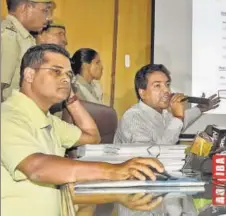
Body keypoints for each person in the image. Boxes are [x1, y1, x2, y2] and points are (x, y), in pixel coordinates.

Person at [1, 44, 165, 216]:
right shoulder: (8, 116)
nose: (65, 79)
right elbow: (37, 167)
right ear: (29, 74)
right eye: (56, 71)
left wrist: (71, 99)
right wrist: (115, 170)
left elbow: (92, 137)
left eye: (69, 75)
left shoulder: (48, 120)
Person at [113, 64, 220, 145]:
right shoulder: (133, 118)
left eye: (167, 84)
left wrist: (199, 109)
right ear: (142, 93)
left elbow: (179, 124)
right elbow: (151, 155)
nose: (166, 90)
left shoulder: (163, 113)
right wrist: (177, 117)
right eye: (157, 86)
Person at [1, 0, 53, 101]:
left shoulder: (24, 37)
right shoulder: (8, 36)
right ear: (25, 8)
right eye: (45, 10)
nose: (49, 17)